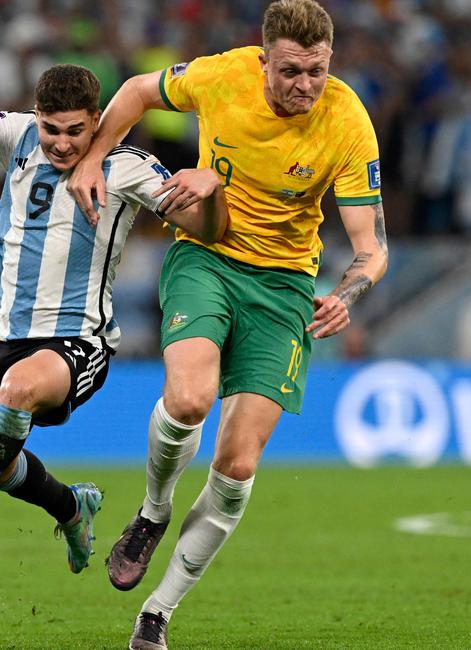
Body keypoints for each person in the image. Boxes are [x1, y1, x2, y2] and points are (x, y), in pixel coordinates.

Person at [69, 1, 389, 648]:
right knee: (189, 398)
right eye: (292, 71)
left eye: (318, 71)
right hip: (207, 259)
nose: (306, 85)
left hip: (287, 288)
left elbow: (371, 246)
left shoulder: (348, 121)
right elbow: (134, 91)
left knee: (238, 466)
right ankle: (154, 512)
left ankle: (156, 614)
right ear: (264, 58)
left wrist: (349, 292)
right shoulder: (222, 76)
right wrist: (93, 159)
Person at [0, 64, 226, 577]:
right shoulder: (16, 136)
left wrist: (212, 191)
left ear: (97, 120)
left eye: (75, 131)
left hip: (78, 341)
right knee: (2, 458)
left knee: (15, 391)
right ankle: (70, 507)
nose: (60, 144)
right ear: (35, 118)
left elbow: (209, 230)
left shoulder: (127, 167)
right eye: (51, 129)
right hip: (6, 332)